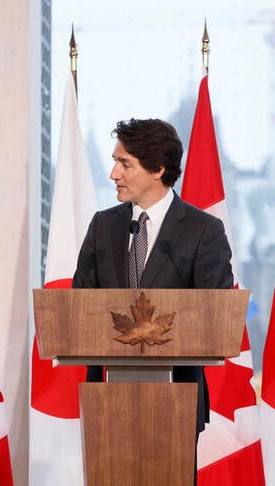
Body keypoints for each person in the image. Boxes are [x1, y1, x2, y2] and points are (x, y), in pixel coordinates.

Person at [72, 118, 233, 479]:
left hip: (175, 397)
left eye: (125, 163)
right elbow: (78, 307)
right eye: (115, 161)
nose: (114, 173)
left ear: (158, 169)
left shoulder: (203, 230)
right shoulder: (103, 225)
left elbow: (216, 314)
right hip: (108, 397)